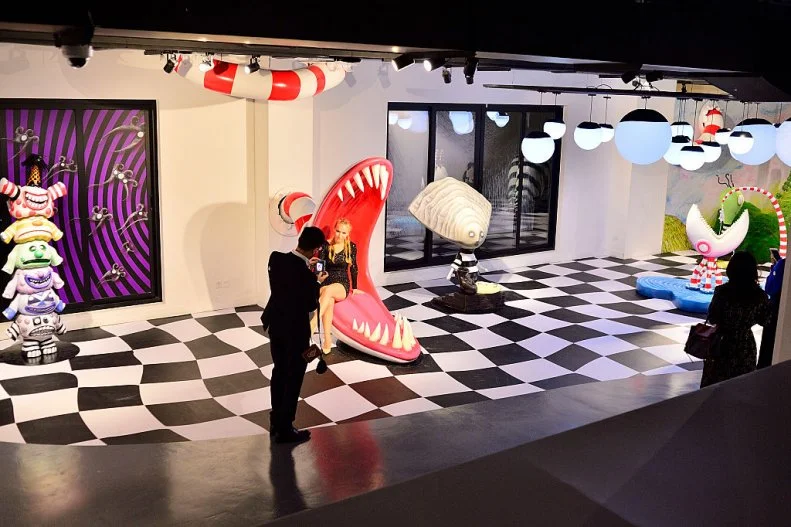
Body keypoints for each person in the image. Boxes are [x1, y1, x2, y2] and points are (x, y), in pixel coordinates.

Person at [262, 226, 328, 444]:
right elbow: (310, 304)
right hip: (295, 332)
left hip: (276, 326)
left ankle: (275, 420)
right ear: (316, 250)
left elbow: (285, 285)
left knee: (279, 372)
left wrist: (307, 273)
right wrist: (317, 281)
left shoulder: (276, 259)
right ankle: (285, 427)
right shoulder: (306, 276)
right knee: (294, 377)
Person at [700, 251, 771, 388]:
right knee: (741, 388)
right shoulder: (759, 296)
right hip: (745, 346)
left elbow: (713, 318)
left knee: (713, 388)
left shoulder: (722, 292)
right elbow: (765, 320)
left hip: (721, 343)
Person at [315, 218, 359, 354]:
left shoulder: (351, 247)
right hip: (326, 280)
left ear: (348, 234)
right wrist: (317, 279)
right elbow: (320, 265)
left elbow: (354, 268)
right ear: (334, 230)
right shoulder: (325, 245)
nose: (340, 235)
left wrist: (355, 287)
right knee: (328, 300)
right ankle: (327, 340)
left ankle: (311, 324)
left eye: (344, 233)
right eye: (338, 231)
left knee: (328, 292)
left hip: (341, 283)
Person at [758, 254, 785, 369]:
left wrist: (774, 269)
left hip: (776, 311)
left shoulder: (783, 264)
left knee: (769, 349)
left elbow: (770, 288)